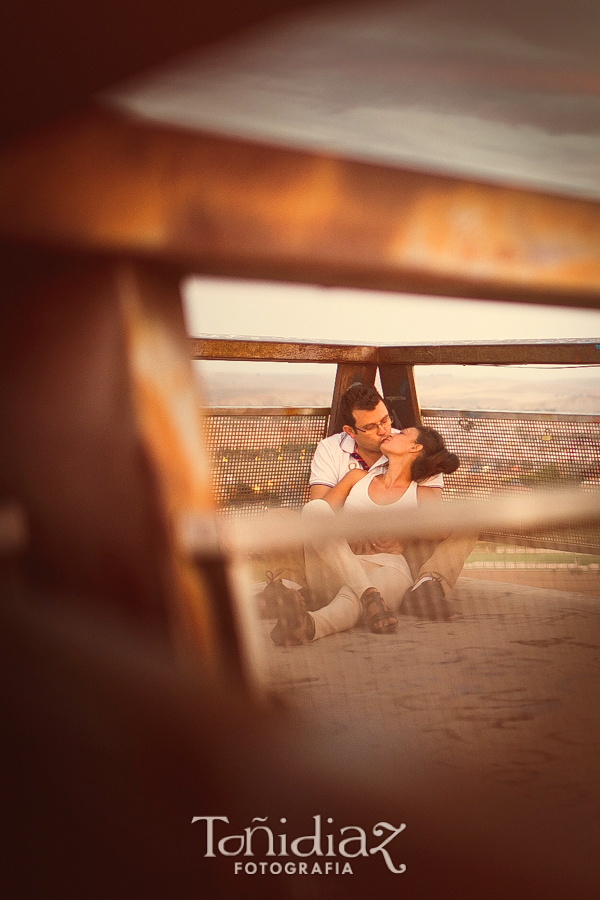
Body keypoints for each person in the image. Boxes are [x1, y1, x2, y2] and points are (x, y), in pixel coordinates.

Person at [270, 424, 459, 645]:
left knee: (353, 598)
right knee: (315, 509)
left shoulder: (420, 492)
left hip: (389, 568)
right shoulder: (357, 477)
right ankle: (369, 595)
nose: (391, 432)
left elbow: (442, 530)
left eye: (403, 434)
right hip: (338, 567)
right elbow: (316, 518)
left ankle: (309, 626)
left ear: (415, 448)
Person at [307, 383, 476, 619]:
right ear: (350, 430)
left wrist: (398, 529)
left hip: (394, 558)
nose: (384, 431)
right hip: (342, 550)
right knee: (283, 517)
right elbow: (319, 510)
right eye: (371, 427)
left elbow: (430, 523)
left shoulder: (418, 453)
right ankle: (294, 589)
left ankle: (427, 588)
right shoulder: (331, 449)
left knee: (469, 520)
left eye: (385, 420)